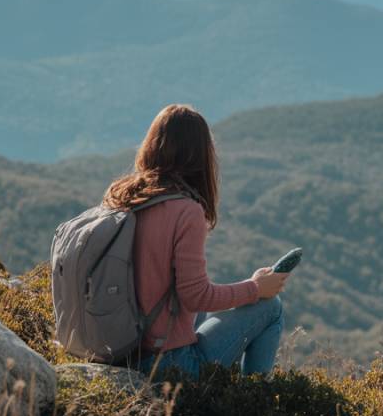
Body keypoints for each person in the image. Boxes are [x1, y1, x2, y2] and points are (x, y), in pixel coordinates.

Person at [102, 104, 288, 379]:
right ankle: (254, 397)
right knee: (271, 308)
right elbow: (196, 295)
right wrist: (255, 289)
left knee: (202, 312)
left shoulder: (123, 198)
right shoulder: (186, 210)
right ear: (201, 155)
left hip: (121, 350)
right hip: (168, 363)